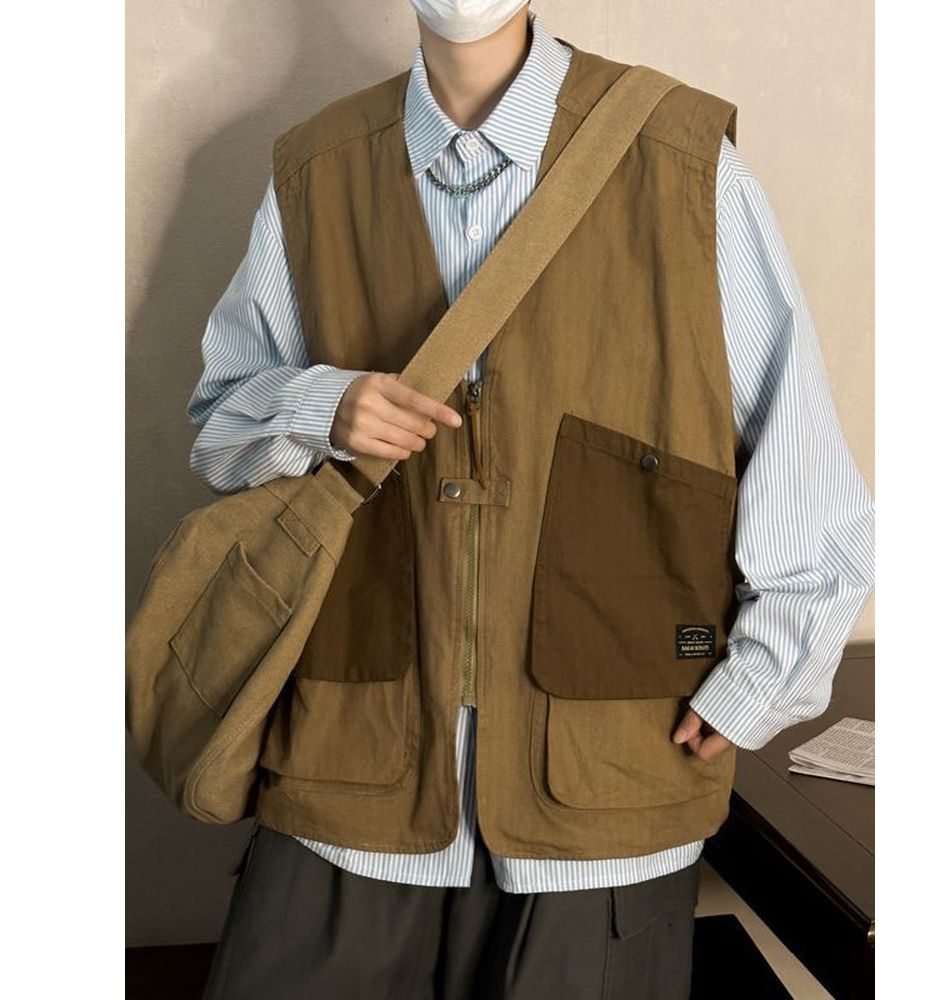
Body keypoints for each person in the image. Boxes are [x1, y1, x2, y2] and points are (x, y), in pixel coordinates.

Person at [187, 3, 875, 997]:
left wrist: (761, 680)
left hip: (605, 787)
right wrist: (319, 406)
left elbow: (800, 456)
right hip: (346, 763)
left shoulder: (684, 162)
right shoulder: (316, 169)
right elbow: (218, 433)